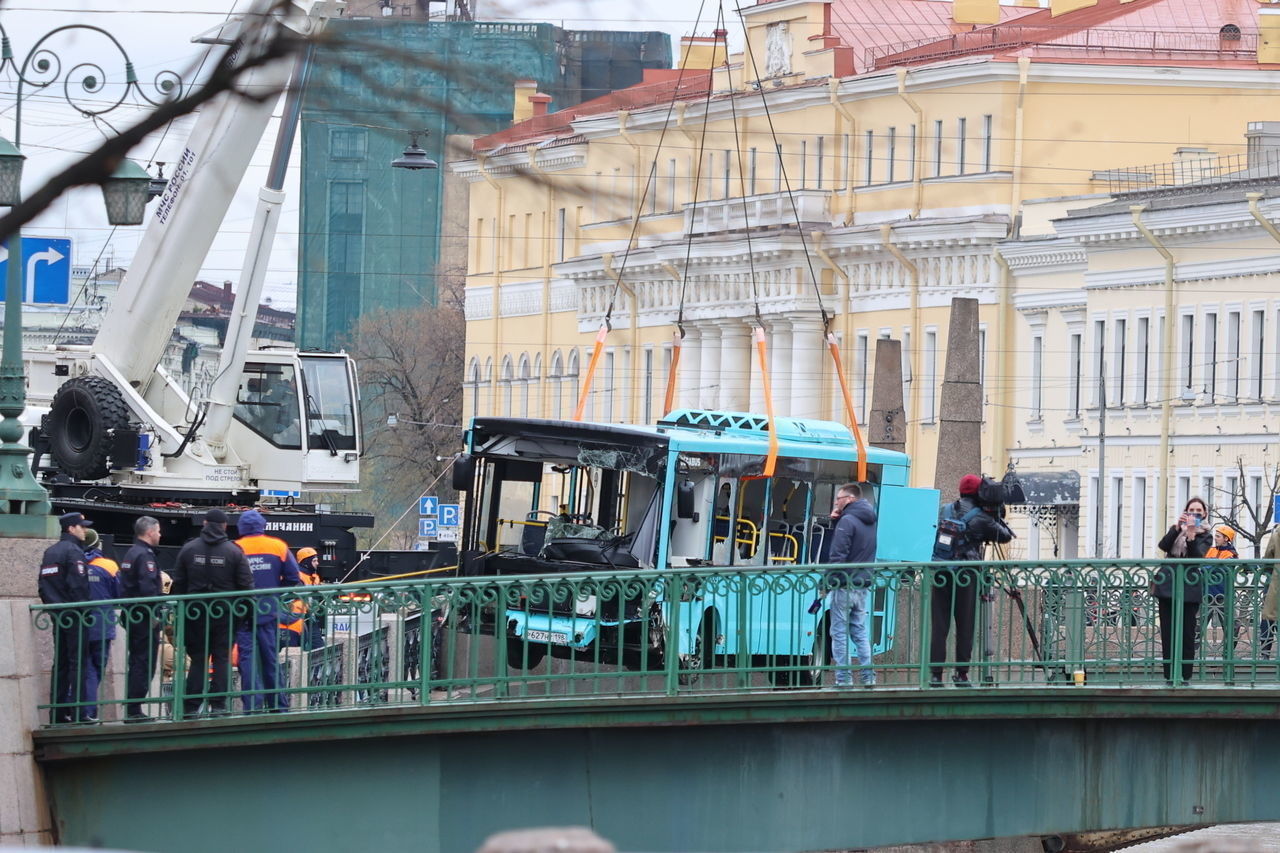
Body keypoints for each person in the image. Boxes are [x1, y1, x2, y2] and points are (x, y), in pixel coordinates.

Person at [930, 475, 1013, 688]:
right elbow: (1004, 536)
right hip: (966, 574)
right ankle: (961, 674)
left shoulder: (945, 509)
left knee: (940, 626)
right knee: (965, 624)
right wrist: (995, 514)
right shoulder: (982, 517)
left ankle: (935, 676)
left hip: (940, 571)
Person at [170, 509, 253, 717]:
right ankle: (219, 705)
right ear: (225, 526)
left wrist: (181, 614)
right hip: (225, 615)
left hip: (194, 613)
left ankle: (190, 707)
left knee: (198, 659)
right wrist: (245, 616)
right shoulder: (234, 552)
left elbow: (178, 585)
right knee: (221, 659)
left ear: (205, 523)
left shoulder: (189, 550)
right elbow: (246, 587)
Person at [234, 509, 301, 712]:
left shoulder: (236, 548)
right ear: (262, 525)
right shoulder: (278, 546)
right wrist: (275, 594)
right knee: (270, 660)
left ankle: (252, 707)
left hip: (243, 613)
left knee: (247, 662)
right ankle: (278, 706)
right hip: (269, 612)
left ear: (241, 528)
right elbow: (293, 577)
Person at [39, 512, 94, 723]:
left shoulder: (50, 552)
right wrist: (84, 612)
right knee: (78, 663)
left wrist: (55, 610)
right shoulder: (74, 552)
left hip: (59, 616)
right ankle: (79, 712)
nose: (85, 530)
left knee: (60, 663)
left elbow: (43, 586)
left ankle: (57, 713)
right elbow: (78, 587)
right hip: (75, 617)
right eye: (82, 527)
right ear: (71, 528)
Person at [823, 483, 879, 687]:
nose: (836, 502)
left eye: (838, 498)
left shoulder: (847, 521)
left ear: (849, 499)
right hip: (862, 584)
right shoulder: (870, 520)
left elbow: (837, 556)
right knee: (859, 631)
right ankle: (868, 676)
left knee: (838, 632)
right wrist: (834, 521)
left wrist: (826, 583)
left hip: (844, 585)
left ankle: (843, 679)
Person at [1154, 496, 1214, 684]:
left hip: (1189, 585)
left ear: (1204, 514)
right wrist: (1176, 527)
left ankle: (1185, 675)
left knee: (1187, 632)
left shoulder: (1206, 534)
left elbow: (1196, 558)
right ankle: (1170, 674)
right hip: (1168, 583)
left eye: (1198, 511)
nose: (1194, 514)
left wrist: (1191, 536)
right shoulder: (1177, 529)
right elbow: (1163, 546)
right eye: (1191, 511)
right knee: (1168, 631)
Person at [118, 516, 164, 722]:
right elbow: (147, 589)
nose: (160, 535)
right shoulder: (145, 556)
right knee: (144, 662)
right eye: (159, 531)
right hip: (143, 617)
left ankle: (133, 706)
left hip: (133, 614)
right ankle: (134, 709)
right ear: (150, 532)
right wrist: (155, 614)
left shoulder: (131, 552)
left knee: (137, 660)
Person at [81, 528, 119, 724]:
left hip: (77, 625)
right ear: (98, 545)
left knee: (80, 667)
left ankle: (75, 709)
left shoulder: (75, 564)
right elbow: (119, 593)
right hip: (102, 625)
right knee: (95, 669)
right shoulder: (108, 565)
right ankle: (88, 711)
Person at [1202, 524, 1240, 656]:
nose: (1215, 538)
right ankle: (1191, 655)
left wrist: (1210, 565)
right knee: (1195, 626)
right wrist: (1214, 564)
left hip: (1224, 595)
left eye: (1218, 536)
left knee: (1233, 626)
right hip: (1206, 594)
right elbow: (1201, 565)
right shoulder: (1209, 550)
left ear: (1226, 539)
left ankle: (1227, 653)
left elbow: (1223, 568)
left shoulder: (1232, 554)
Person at [278, 546, 325, 651]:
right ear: (306, 562)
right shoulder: (295, 576)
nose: (317, 563)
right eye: (314, 560)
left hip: (309, 617)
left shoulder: (314, 577)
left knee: (319, 648)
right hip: (294, 618)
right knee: (295, 650)